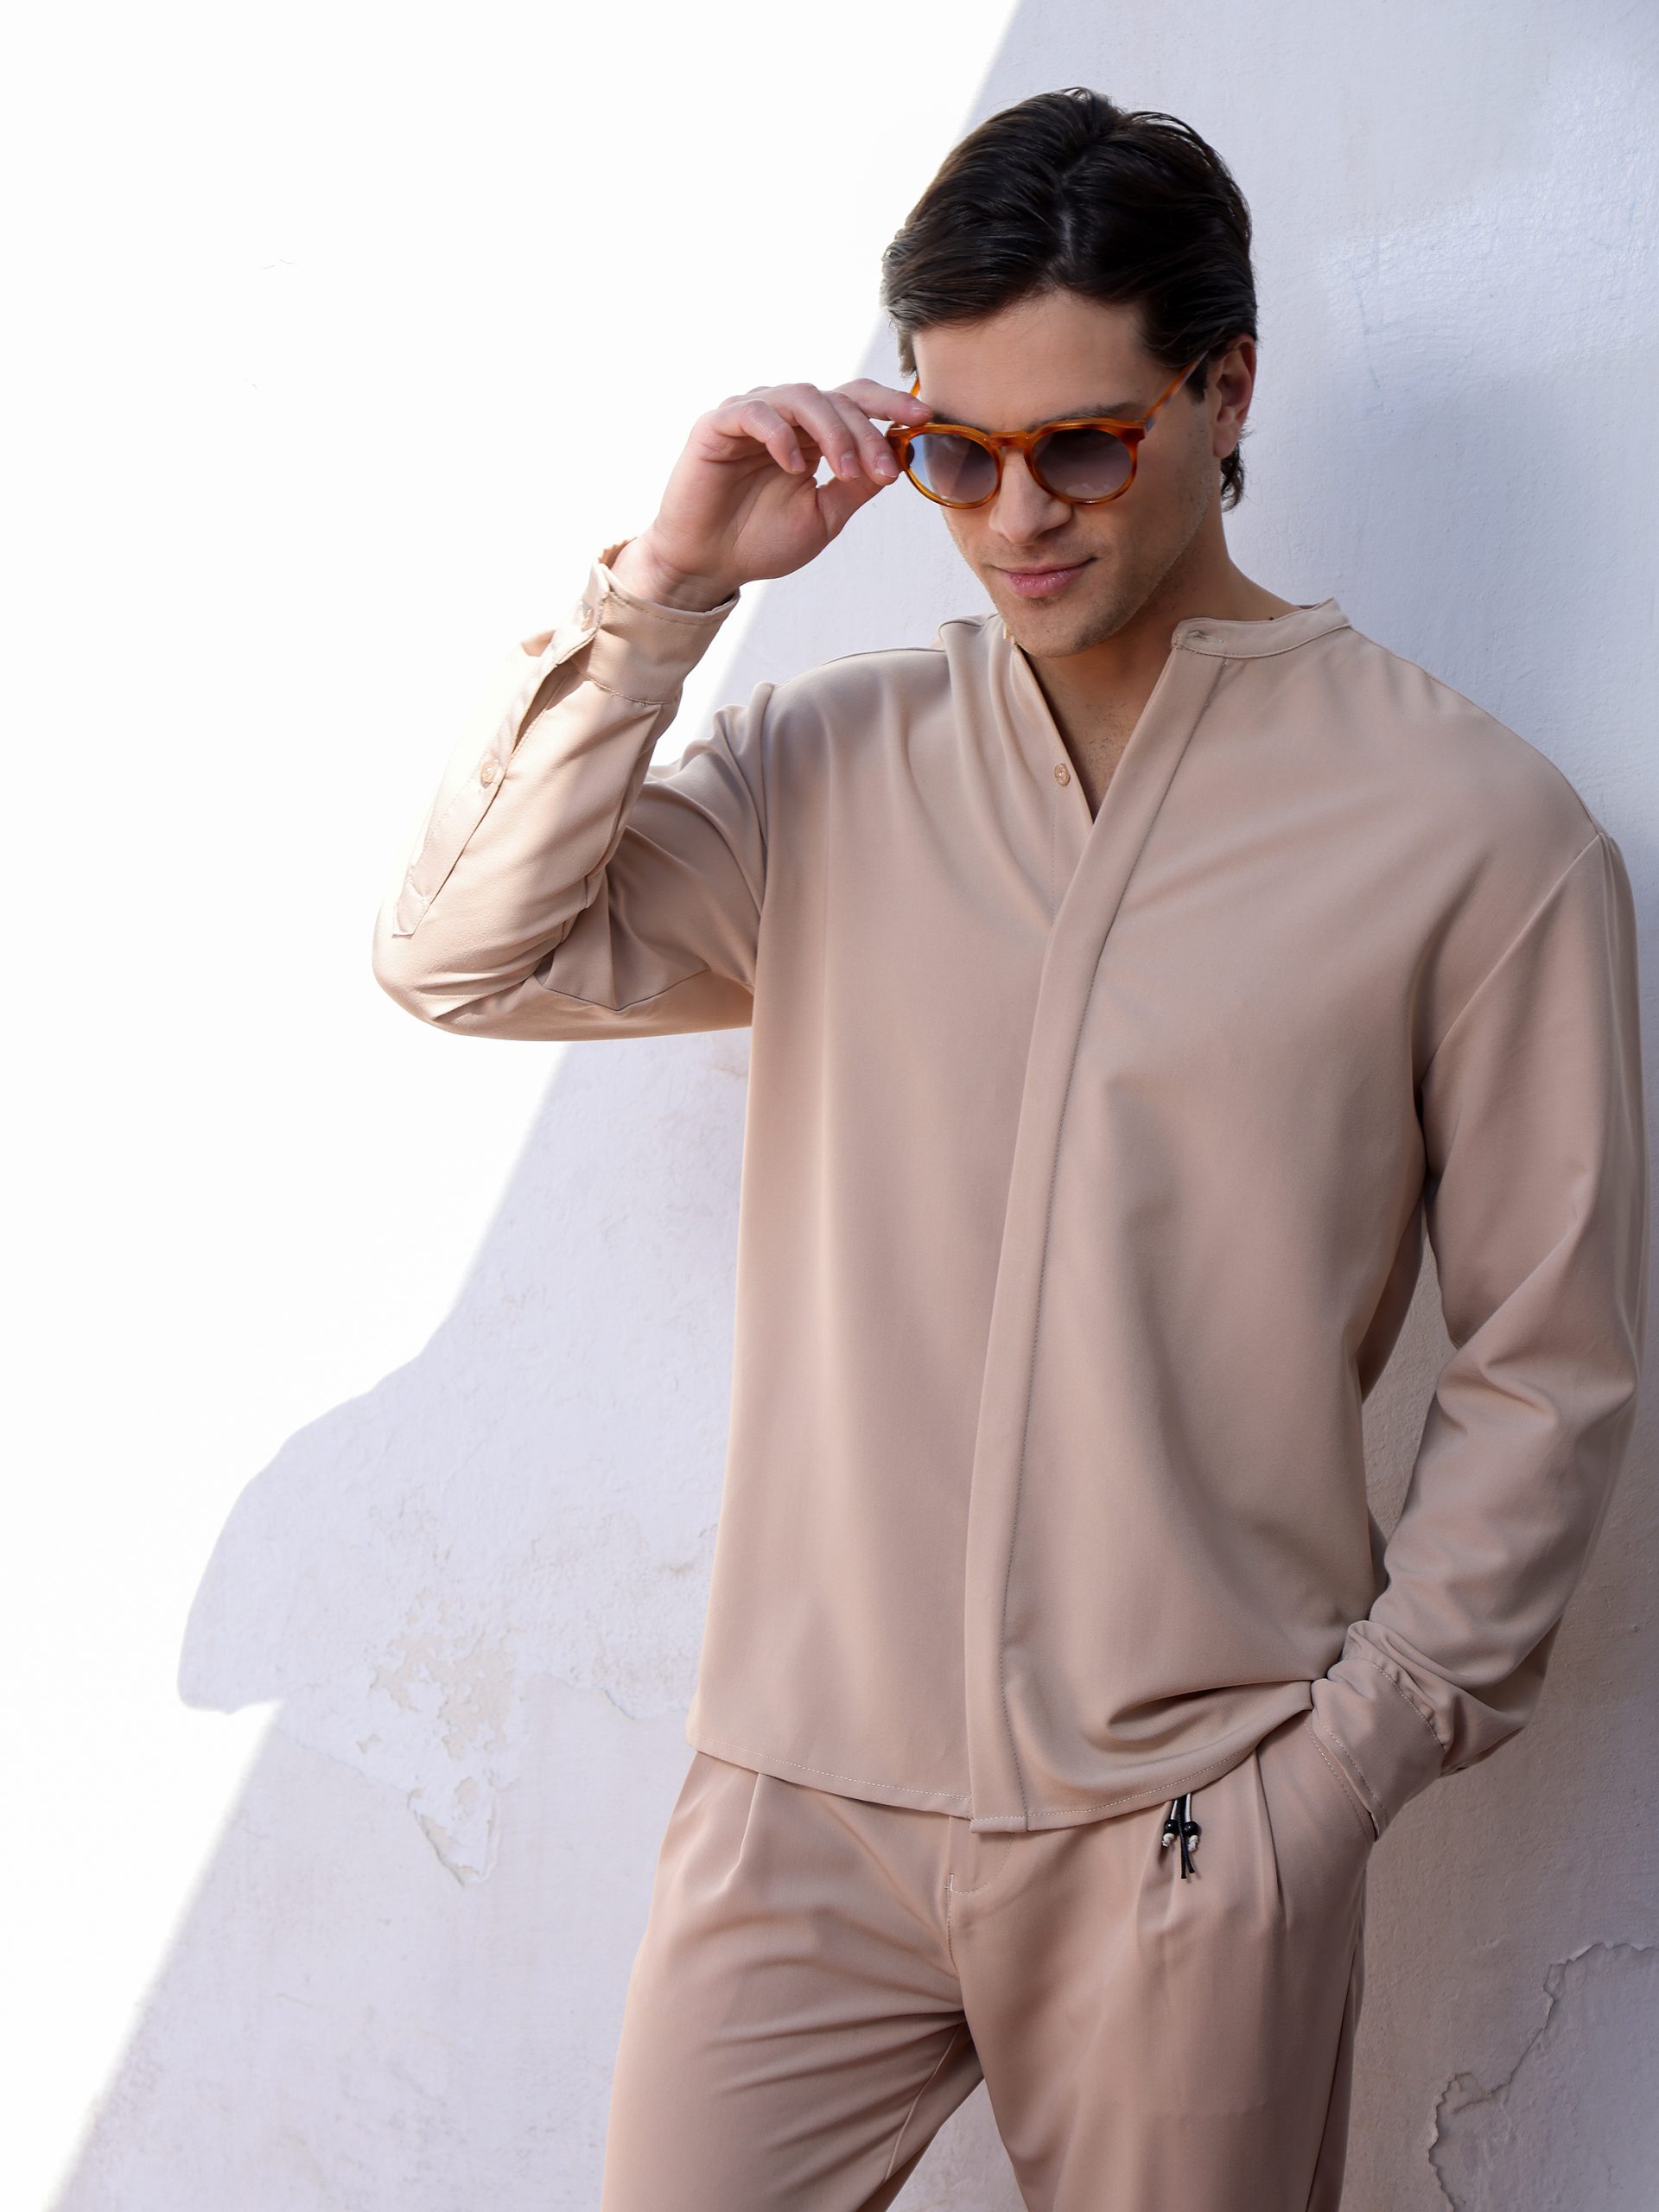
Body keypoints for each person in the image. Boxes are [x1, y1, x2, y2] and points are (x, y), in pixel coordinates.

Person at [370, 86, 1648, 2212]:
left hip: (1191, 1826)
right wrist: (668, 589)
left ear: (1225, 387)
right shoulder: (829, 762)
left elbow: (1551, 1362)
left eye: (1084, 445)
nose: (1015, 516)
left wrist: (1326, 1784)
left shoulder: (1473, 832)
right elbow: (462, 953)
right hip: (799, 1806)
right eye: (957, 455)